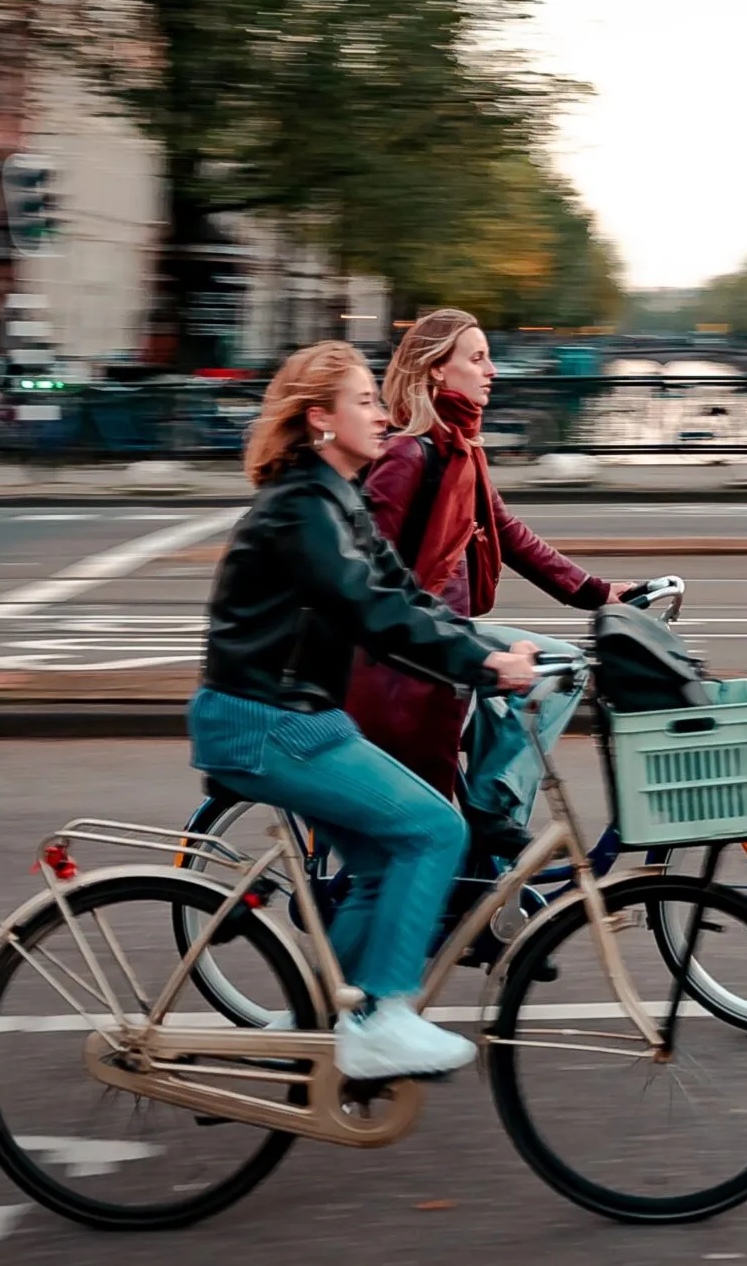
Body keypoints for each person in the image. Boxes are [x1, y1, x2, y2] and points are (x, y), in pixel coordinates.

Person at [190, 339, 541, 1081]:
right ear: (320, 419)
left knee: (383, 863)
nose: (384, 413)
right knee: (434, 830)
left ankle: (318, 1022)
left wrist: (486, 653)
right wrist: (481, 664)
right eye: (364, 402)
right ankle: (382, 1017)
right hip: (265, 723)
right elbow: (368, 609)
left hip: (300, 718)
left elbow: (407, 596)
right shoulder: (301, 507)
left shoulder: (338, 498)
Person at [344, 309, 626, 868]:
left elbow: (510, 536)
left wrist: (600, 592)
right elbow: (367, 569)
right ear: (435, 373)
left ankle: (489, 828)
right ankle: (490, 813)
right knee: (560, 667)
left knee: (555, 673)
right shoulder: (409, 455)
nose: (492, 370)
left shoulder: (461, 449)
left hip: (450, 631)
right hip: (420, 646)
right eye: (476, 359)